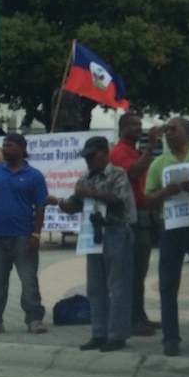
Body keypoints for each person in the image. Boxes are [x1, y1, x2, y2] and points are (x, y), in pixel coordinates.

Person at [56, 136, 136, 351]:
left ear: (104, 153)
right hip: (92, 234)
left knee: (118, 286)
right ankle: (99, 333)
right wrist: (62, 204)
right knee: (95, 287)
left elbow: (118, 200)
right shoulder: (84, 179)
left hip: (116, 231)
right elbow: (76, 203)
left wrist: (89, 193)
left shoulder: (118, 174)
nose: (88, 160)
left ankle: (117, 335)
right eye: (86, 157)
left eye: (92, 156)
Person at [144, 116, 189, 356]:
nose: (169, 133)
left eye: (174, 129)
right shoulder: (159, 163)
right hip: (171, 228)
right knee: (168, 285)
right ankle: (171, 338)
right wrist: (167, 191)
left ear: (186, 131)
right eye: (166, 130)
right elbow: (147, 199)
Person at [0, 133, 51, 337]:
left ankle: (34, 319)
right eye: (4, 145)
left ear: (22, 149)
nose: (5, 149)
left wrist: (36, 234)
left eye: (10, 145)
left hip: (24, 237)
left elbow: (40, 206)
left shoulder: (34, 175)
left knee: (28, 280)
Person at [107, 112, 161, 337]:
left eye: (140, 124)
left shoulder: (134, 151)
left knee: (140, 270)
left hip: (143, 214)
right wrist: (151, 147)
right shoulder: (119, 152)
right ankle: (132, 319)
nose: (139, 128)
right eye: (133, 125)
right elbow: (134, 172)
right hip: (130, 216)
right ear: (122, 128)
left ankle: (139, 315)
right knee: (133, 271)